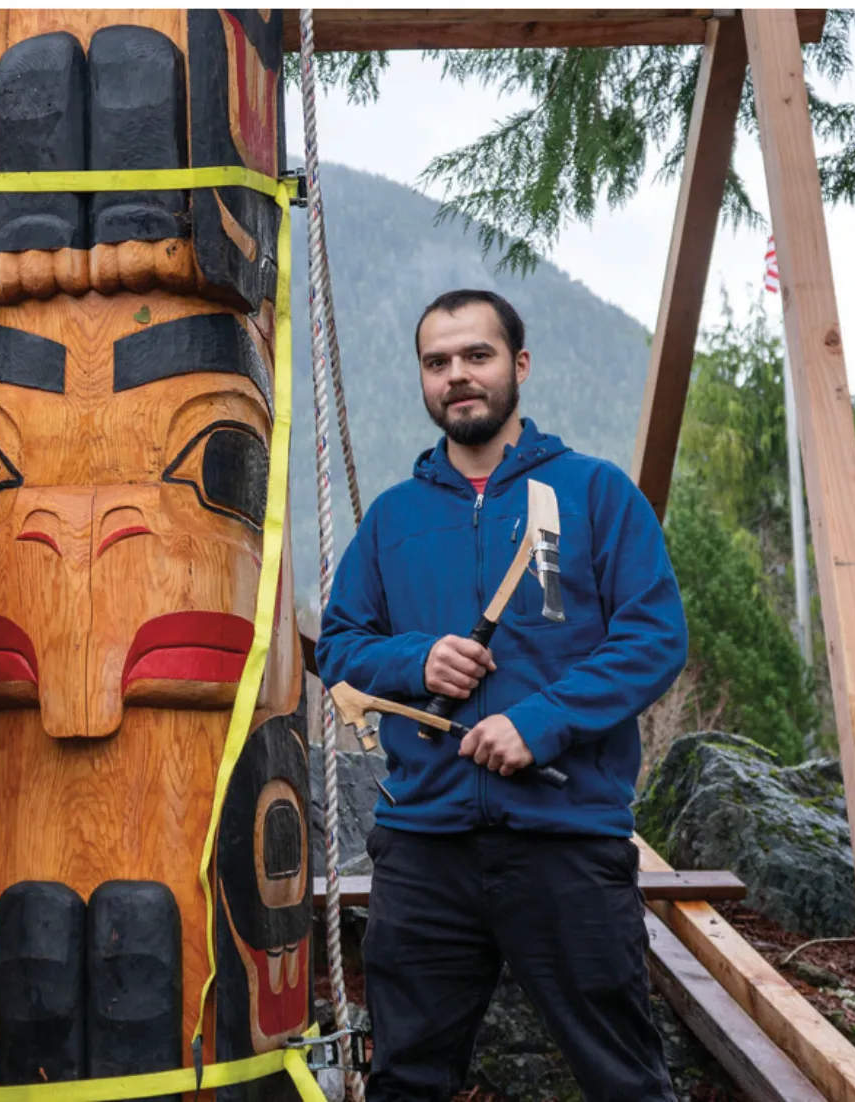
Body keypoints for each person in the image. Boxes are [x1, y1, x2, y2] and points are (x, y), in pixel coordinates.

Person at [315, 289, 689, 1102]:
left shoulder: (595, 494)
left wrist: (540, 722)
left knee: (625, 1081)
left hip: (567, 840)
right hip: (423, 848)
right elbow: (340, 645)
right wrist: (417, 663)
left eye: (476, 356)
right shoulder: (392, 519)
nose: (458, 376)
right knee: (406, 1079)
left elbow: (655, 637)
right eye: (438, 362)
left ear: (518, 365)